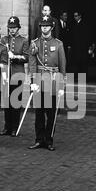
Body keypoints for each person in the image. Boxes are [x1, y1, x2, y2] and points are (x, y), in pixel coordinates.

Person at [28, 15, 66, 151]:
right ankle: (39, 140)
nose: (44, 28)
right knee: (39, 114)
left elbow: (62, 66)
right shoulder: (35, 43)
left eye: (47, 26)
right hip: (39, 81)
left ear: (51, 27)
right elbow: (32, 63)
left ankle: (48, 140)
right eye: (42, 26)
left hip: (53, 81)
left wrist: (62, 85)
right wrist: (32, 81)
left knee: (51, 114)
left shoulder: (58, 44)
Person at [0, 16, 29, 136]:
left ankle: (14, 127)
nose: (12, 30)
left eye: (14, 28)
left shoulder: (23, 40)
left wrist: (15, 57)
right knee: (7, 101)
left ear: (18, 28)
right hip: (7, 74)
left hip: (17, 73)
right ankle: (7, 126)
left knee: (15, 102)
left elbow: (26, 57)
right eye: (10, 28)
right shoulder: (3, 40)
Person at [69, 11, 94, 78]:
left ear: (80, 16)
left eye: (76, 16)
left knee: (83, 63)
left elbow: (88, 36)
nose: (75, 17)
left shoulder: (85, 24)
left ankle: (82, 78)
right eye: (74, 16)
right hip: (75, 47)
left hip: (83, 47)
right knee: (75, 63)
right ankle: (75, 77)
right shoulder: (73, 24)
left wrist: (89, 46)